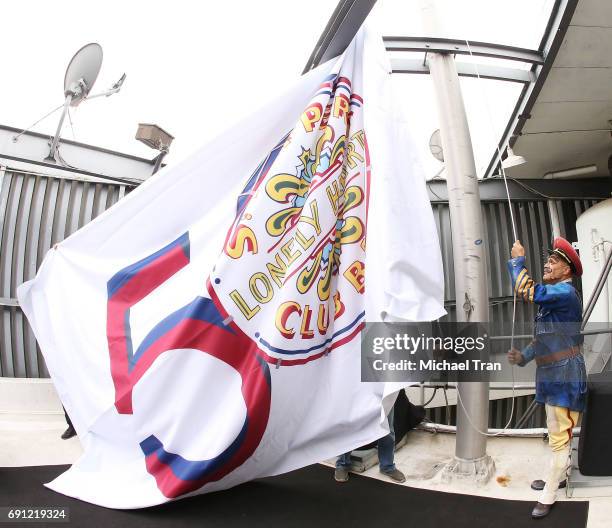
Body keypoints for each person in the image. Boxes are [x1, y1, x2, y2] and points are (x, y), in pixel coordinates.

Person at [506, 238, 586, 519]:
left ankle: (549, 494)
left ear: (567, 270)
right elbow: (545, 337)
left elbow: (526, 290)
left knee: (559, 438)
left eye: (553, 261)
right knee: (557, 433)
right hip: (553, 374)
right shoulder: (557, 297)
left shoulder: (563, 293)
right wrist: (525, 356)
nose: (547, 264)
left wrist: (518, 261)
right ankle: (559, 477)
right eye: (548, 260)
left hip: (563, 376)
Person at [334, 407, 406, 483]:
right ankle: (342, 464)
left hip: (384, 395)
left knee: (387, 428)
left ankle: (387, 466)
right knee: (349, 425)